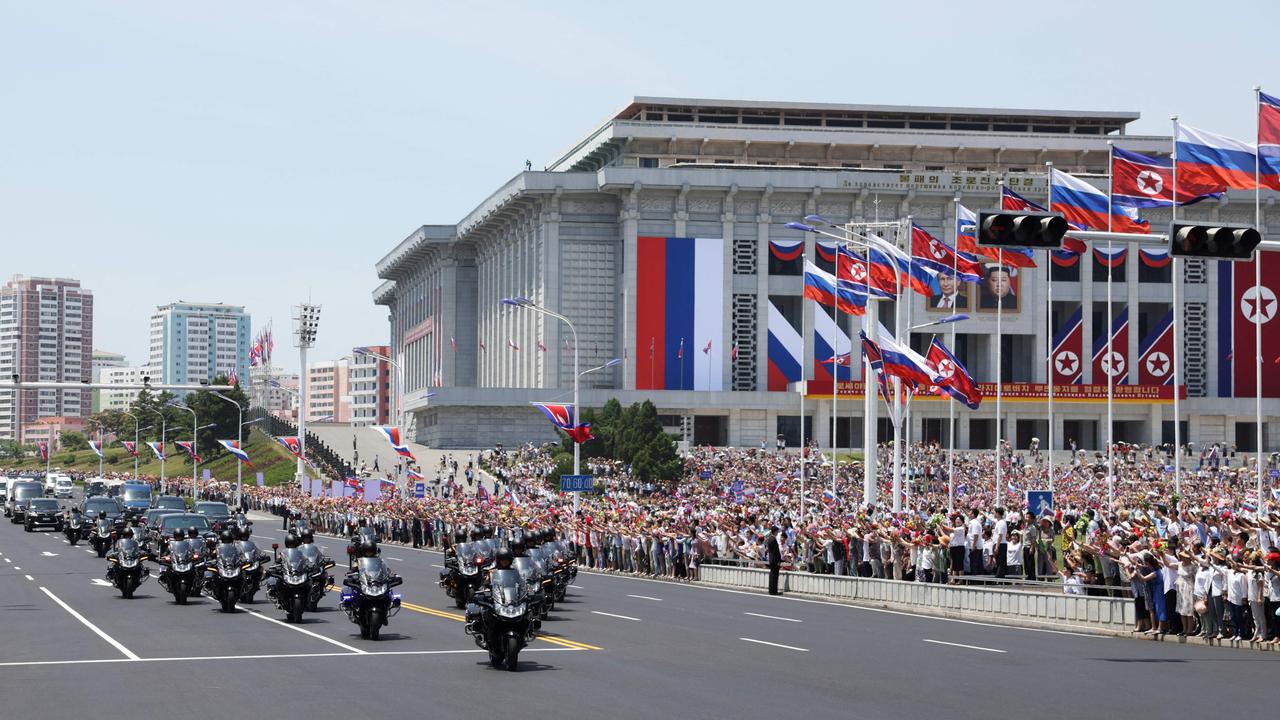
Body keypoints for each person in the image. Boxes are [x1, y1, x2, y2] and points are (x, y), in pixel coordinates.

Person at [765, 525, 782, 596]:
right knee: (774, 576)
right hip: (775, 560)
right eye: (777, 531)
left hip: (771, 559)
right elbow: (776, 551)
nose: (777, 532)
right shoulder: (773, 539)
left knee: (772, 575)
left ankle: (771, 590)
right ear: (774, 531)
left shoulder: (769, 539)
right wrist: (779, 560)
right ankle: (774, 591)